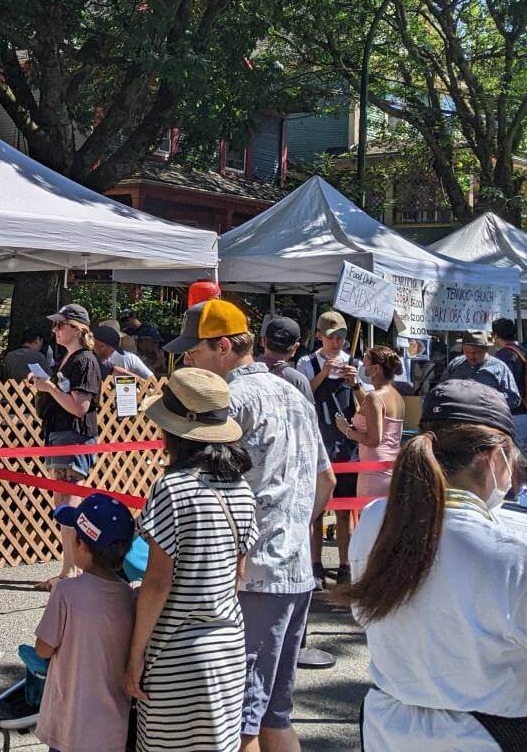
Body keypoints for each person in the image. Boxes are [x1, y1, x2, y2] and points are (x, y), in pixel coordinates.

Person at [344, 379, 527, 750]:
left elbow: (363, 612)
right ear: (492, 458)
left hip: (387, 728)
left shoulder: (376, 518)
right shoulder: (518, 556)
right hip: (484, 736)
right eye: (513, 460)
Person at [165, 298, 335, 752]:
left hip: (251, 576)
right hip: (294, 570)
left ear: (222, 347)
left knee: (242, 722)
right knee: (275, 713)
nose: (188, 360)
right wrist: (295, 527)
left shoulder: (233, 401)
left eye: (194, 351)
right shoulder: (295, 395)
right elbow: (327, 479)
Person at [127, 368, 259, 751]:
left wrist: (135, 656)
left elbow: (157, 583)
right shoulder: (243, 491)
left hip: (177, 653)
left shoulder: (172, 489)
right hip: (228, 650)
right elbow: (237, 574)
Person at [34, 493, 136, 752]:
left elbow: (43, 648)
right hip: (112, 729)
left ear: (81, 545)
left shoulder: (66, 592)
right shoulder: (130, 597)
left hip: (70, 726)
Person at [32, 303, 101, 591]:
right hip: (61, 437)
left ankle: (71, 570)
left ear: (77, 329)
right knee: (63, 503)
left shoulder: (84, 361)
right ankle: (68, 568)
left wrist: (48, 388)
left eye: (61, 324)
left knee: (68, 504)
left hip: (73, 437)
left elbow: (78, 407)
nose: (55, 330)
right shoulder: (69, 359)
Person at [296, 310, 366, 587]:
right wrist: (323, 374)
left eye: (341, 337)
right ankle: (315, 564)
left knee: (345, 510)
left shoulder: (354, 363)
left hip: (346, 444)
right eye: (331, 337)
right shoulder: (307, 362)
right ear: (319, 337)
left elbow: (367, 402)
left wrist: (355, 382)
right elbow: (302, 396)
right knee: (314, 511)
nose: (337, 343)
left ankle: (345, 565)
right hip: (317, 441)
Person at [335, 346, 405, 498]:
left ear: (375, 369)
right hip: (391, 467)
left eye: (365, 363)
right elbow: (370, 410)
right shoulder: (396, 396)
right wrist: (354, 385)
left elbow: (373, 440)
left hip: (374, 471)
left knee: (369, 516)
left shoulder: (376, 397)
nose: (362, 367)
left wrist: (347, 430)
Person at [492, 317, 527, 460]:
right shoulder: (524, 351)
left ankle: (518, 483)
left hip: (514, 414)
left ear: (496, 335)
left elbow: (500, 386)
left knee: (511, 459)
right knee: (525, 458)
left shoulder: (503, 355)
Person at [442, 329, 520, 411]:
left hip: (486, 419)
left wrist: (487, 397)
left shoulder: (499, 368)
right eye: (467, 352)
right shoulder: (455, 364)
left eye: (476, 353)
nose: (471, 356)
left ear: (486, 349)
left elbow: (514, 399)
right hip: (457, 419)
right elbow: (441, 389)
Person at [259, 316, 313, 403]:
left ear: (263, 341)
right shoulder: (298, 381)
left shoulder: (241, 371)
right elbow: (310, 415)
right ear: (295, 348)